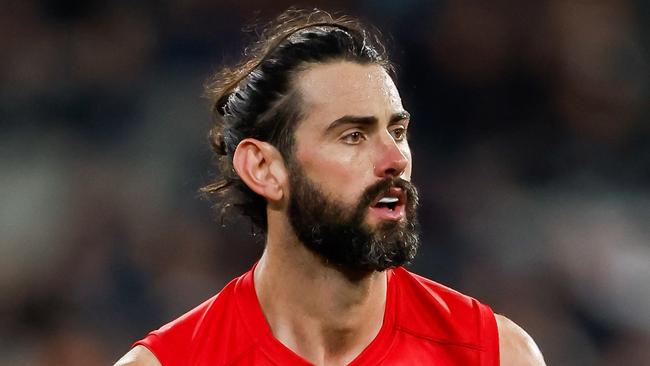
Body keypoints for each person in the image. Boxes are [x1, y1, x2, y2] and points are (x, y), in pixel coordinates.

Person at [115, 8, 545, 366]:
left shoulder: (495, 355)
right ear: (263, 167)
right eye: (353, 136)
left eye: (396, 131)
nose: (394, 160)